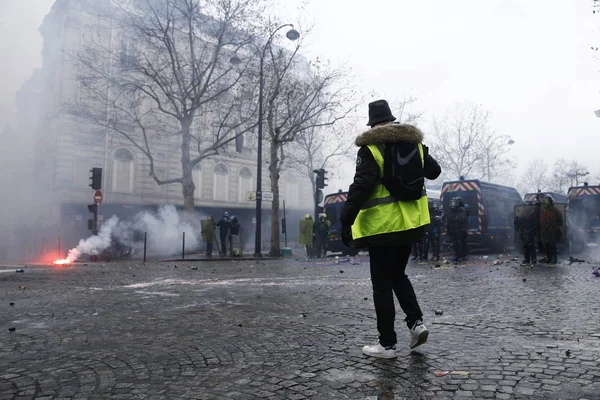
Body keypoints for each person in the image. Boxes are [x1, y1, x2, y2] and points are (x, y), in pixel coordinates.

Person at [340, 99, 441, 359]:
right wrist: (421, 152)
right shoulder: (414, 144)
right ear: (392, 120)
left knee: (381, 284)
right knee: (398, 275)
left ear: (374, 124)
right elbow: (434, 172)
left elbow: (362, 186)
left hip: (382, 228)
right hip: (410, 225)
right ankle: (416, 324)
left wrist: (346, 219)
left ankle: (386, 345)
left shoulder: (370, 148)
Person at [539, 195, 563, 264]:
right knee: (546, 245)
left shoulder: (555, 211)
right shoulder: (543, 211)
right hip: (545, 231)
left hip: (552, 231)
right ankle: (548, 258)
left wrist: (552, 224)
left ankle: (554, 259)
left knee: (552, 245)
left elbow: (560, 222)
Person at [446, 197, 468, 262]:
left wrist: (457, 218)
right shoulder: (450, 211)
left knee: (460, 243)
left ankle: (462, 256)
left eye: (454, 203)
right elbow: (448, 220)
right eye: (452, 203)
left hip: (461, 229)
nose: (453, 204)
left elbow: (463, 218)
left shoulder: (462, 210)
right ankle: (456, 255)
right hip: (453, 229)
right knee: (454, 243)